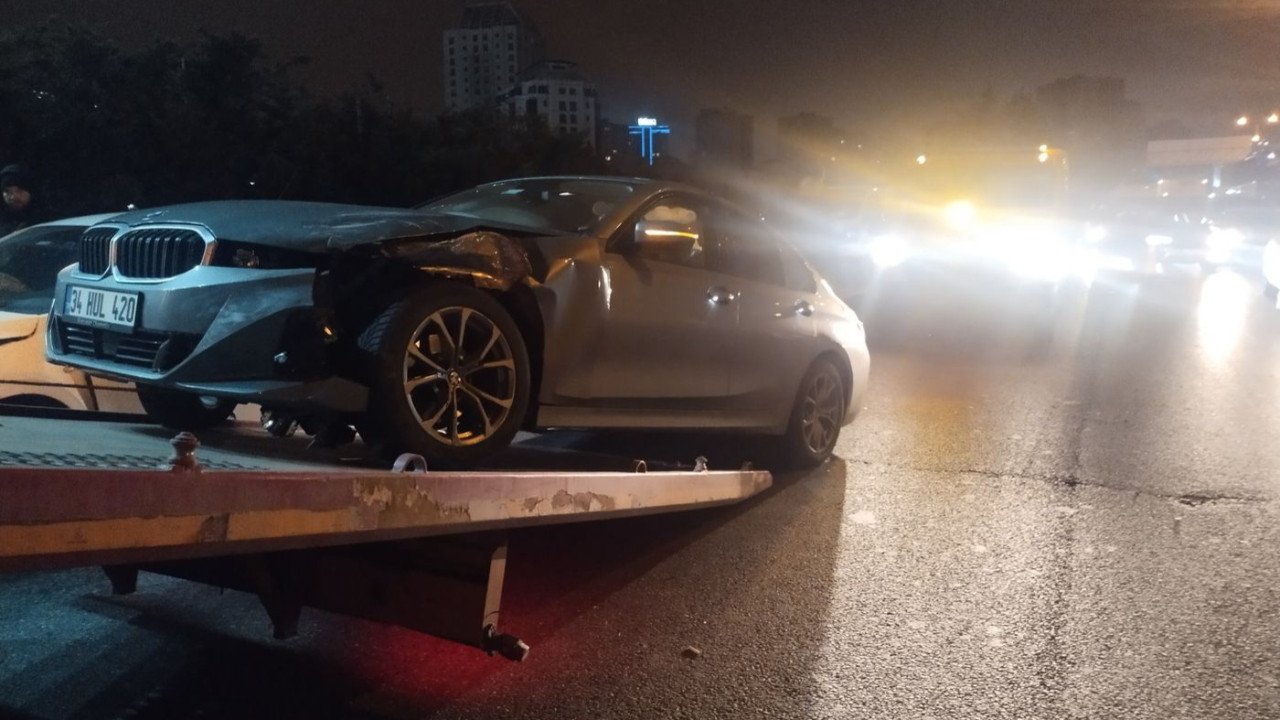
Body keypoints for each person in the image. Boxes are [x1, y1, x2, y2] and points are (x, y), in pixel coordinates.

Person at [0, 164, 39, 237]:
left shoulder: (45, 222)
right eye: (7, 192)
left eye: (19, 191)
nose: (12, 197)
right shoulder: (3, 221)